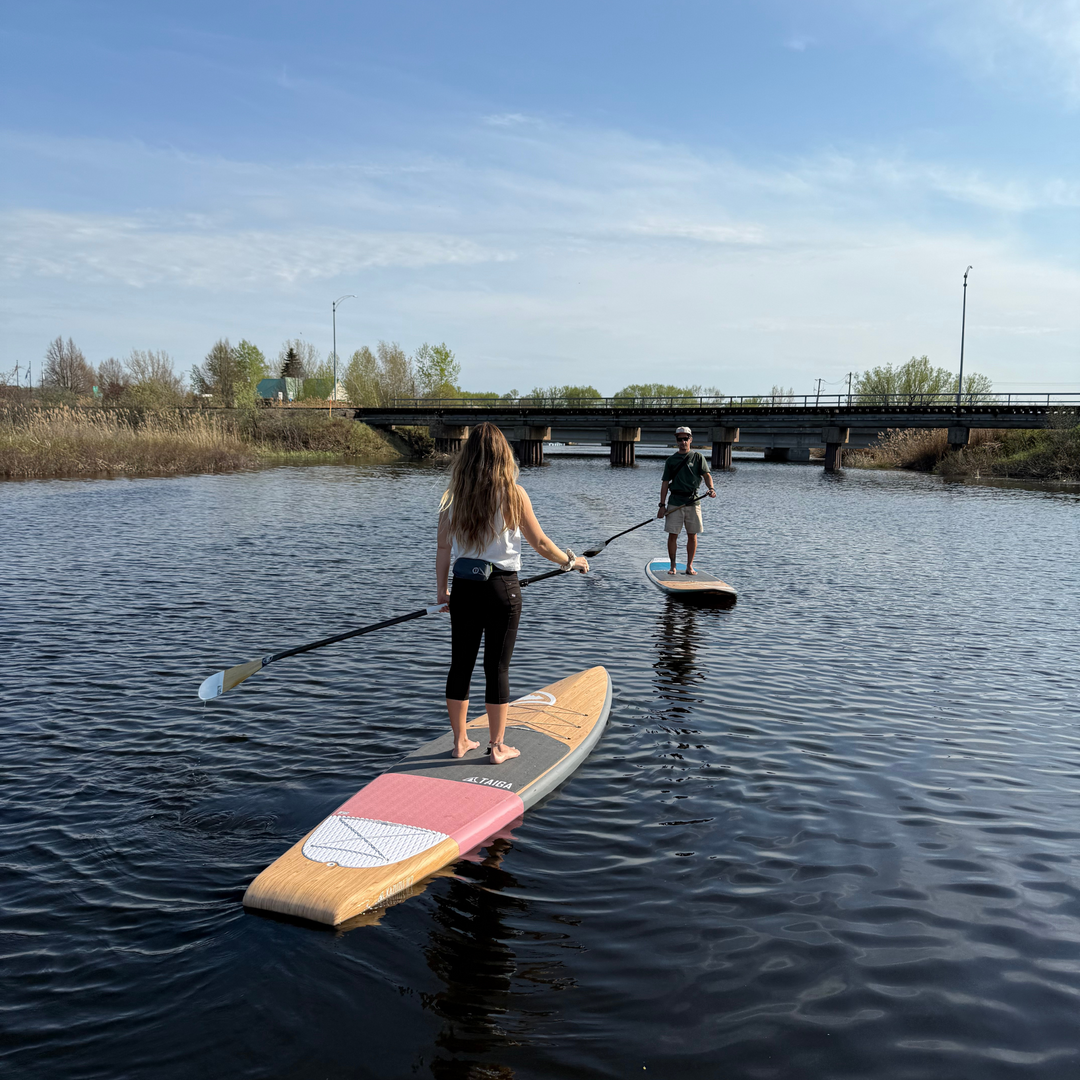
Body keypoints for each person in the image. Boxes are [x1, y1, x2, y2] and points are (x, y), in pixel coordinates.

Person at [436, 423, 589, 764]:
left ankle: (460, 742)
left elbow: (443, 548)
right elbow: (541, 543)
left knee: (460, 665)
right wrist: (571, 562)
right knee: (497, 668)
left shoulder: (453, 496)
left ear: (467, 456)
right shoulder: (514, 494)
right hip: (502, 589)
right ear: (503, 455)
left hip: (463, 588)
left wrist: (442, 591)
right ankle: (497, 748)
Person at [657, 425, 716, 575]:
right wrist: (662, 505)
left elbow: (707, 475)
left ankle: (689, 566)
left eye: (685, 439)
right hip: (675, 502)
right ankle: (673, 566)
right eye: (680, 439)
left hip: (693, 501)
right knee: (673, 535)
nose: (683, 442)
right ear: (676, 441)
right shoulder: (671, 460)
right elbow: (665, 483)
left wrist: (711, 488)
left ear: (690, 439)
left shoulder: (698, 457)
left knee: (692, 535)